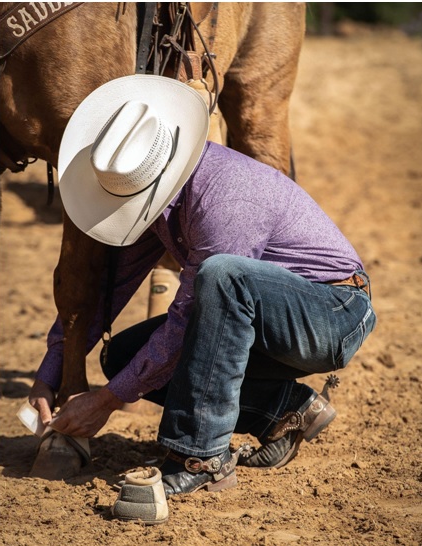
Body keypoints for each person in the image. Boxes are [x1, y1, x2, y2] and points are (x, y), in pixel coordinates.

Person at [29, 74, 376, 497]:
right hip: (269, 317)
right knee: (123, 356)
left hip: (333, 312)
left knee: (221, 276)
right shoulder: (160, 196)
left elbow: (187, 319)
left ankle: (201, 457)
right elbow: (108, 286)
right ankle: (282, 411)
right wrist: (53, 368)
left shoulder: (226, 198)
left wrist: (104, 402)